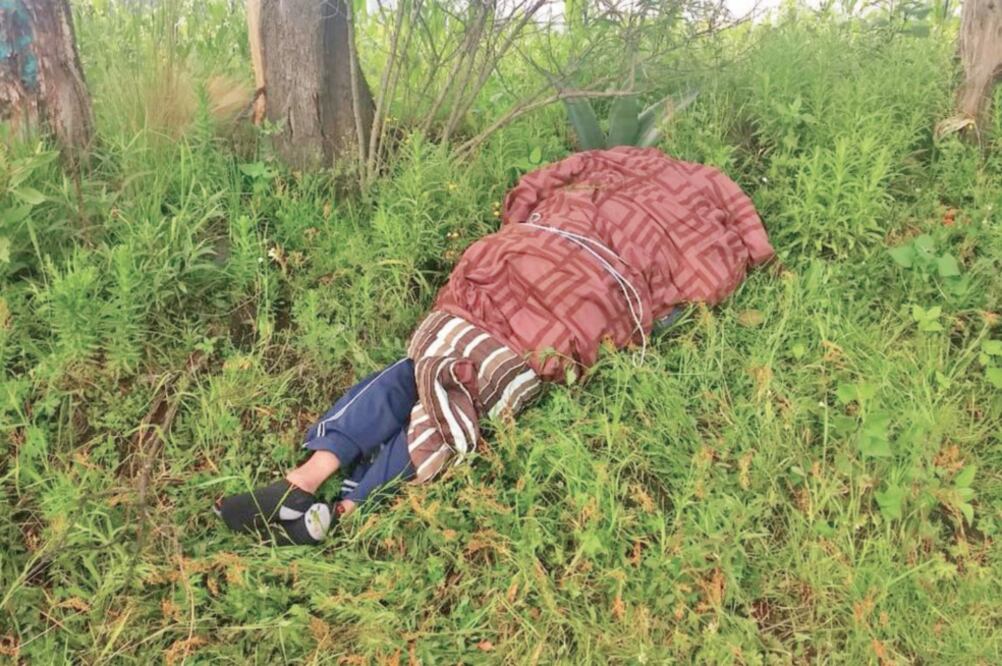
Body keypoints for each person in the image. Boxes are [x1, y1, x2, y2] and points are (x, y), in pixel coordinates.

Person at [215, 147, 774, 545]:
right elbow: (702, 271)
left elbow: (541, 188)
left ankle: (308, 481)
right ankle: (348, 502)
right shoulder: (681, 200)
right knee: (462, 384)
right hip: (552, 277)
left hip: (544, 267)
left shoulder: (615, 175)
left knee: (426, 362)